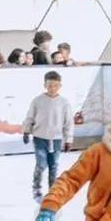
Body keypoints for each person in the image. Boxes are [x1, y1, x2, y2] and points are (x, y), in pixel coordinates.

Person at [23, 69, 75, 199]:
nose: (53, 88)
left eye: (56, 85)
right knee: (41, 164)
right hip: (40, 138)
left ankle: (52, 190)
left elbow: (68, 122)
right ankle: (36, 188)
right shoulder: (38, 101)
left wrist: (68, 140)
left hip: (56, 139)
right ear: (45, 85)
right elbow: (30, 117)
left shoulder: (64, 103)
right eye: (50, 85)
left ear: (60, 86)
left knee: (53, 165)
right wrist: (26, 130)